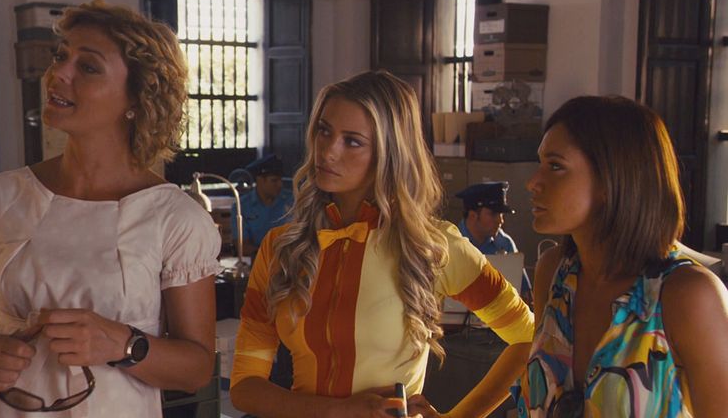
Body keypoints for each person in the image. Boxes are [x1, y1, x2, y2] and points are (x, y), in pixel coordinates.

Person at [0, 0, 221, 417]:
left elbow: (197, 369)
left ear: (136, 97)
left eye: (88, 67)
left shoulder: (176, 220)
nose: (59, 74)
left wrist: (124, 344)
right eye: (60, 56)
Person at [228, 70, 534, 418]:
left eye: (352, 141)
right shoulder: (280, 248)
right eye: (324, 131)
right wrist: (337, 412)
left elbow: (529, 338)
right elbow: (244, 387)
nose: (327, 151)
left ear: (390, 152)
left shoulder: (433, 246)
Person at [515, 96, 728, 416]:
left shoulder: (686, 296)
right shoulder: (555, 273)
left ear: (612, 179)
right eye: (541, 163)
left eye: (555, 166)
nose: (533, 182)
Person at [456, 181, 533, 306]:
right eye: (493, 214)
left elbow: (525, 294)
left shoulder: (505, 243)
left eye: (501, 214)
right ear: (473, 216)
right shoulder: (450, 244)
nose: (500, 221)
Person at [231, 154, 294, 257]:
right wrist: (268, 255)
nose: (280, 185)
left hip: (289, 258)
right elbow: (241, 245)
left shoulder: (292, 201)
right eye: (274, 180)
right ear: (260, 180)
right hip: (257, 259)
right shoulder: (242, 207)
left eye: (280, 180)